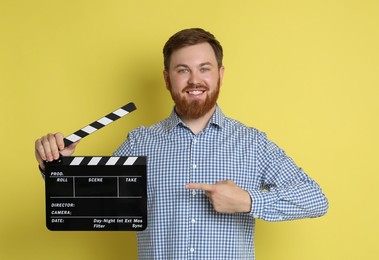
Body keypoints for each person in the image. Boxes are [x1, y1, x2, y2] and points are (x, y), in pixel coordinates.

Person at [35, 28, 328, 259]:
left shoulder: (253, 144)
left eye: (204, 68)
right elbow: (98, 203)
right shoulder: (140, 142)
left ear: (220, 75)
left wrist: (249, 201)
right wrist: (58, 167)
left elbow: (315, 199)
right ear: (167, 78)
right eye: (182, 70)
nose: (194, 79)